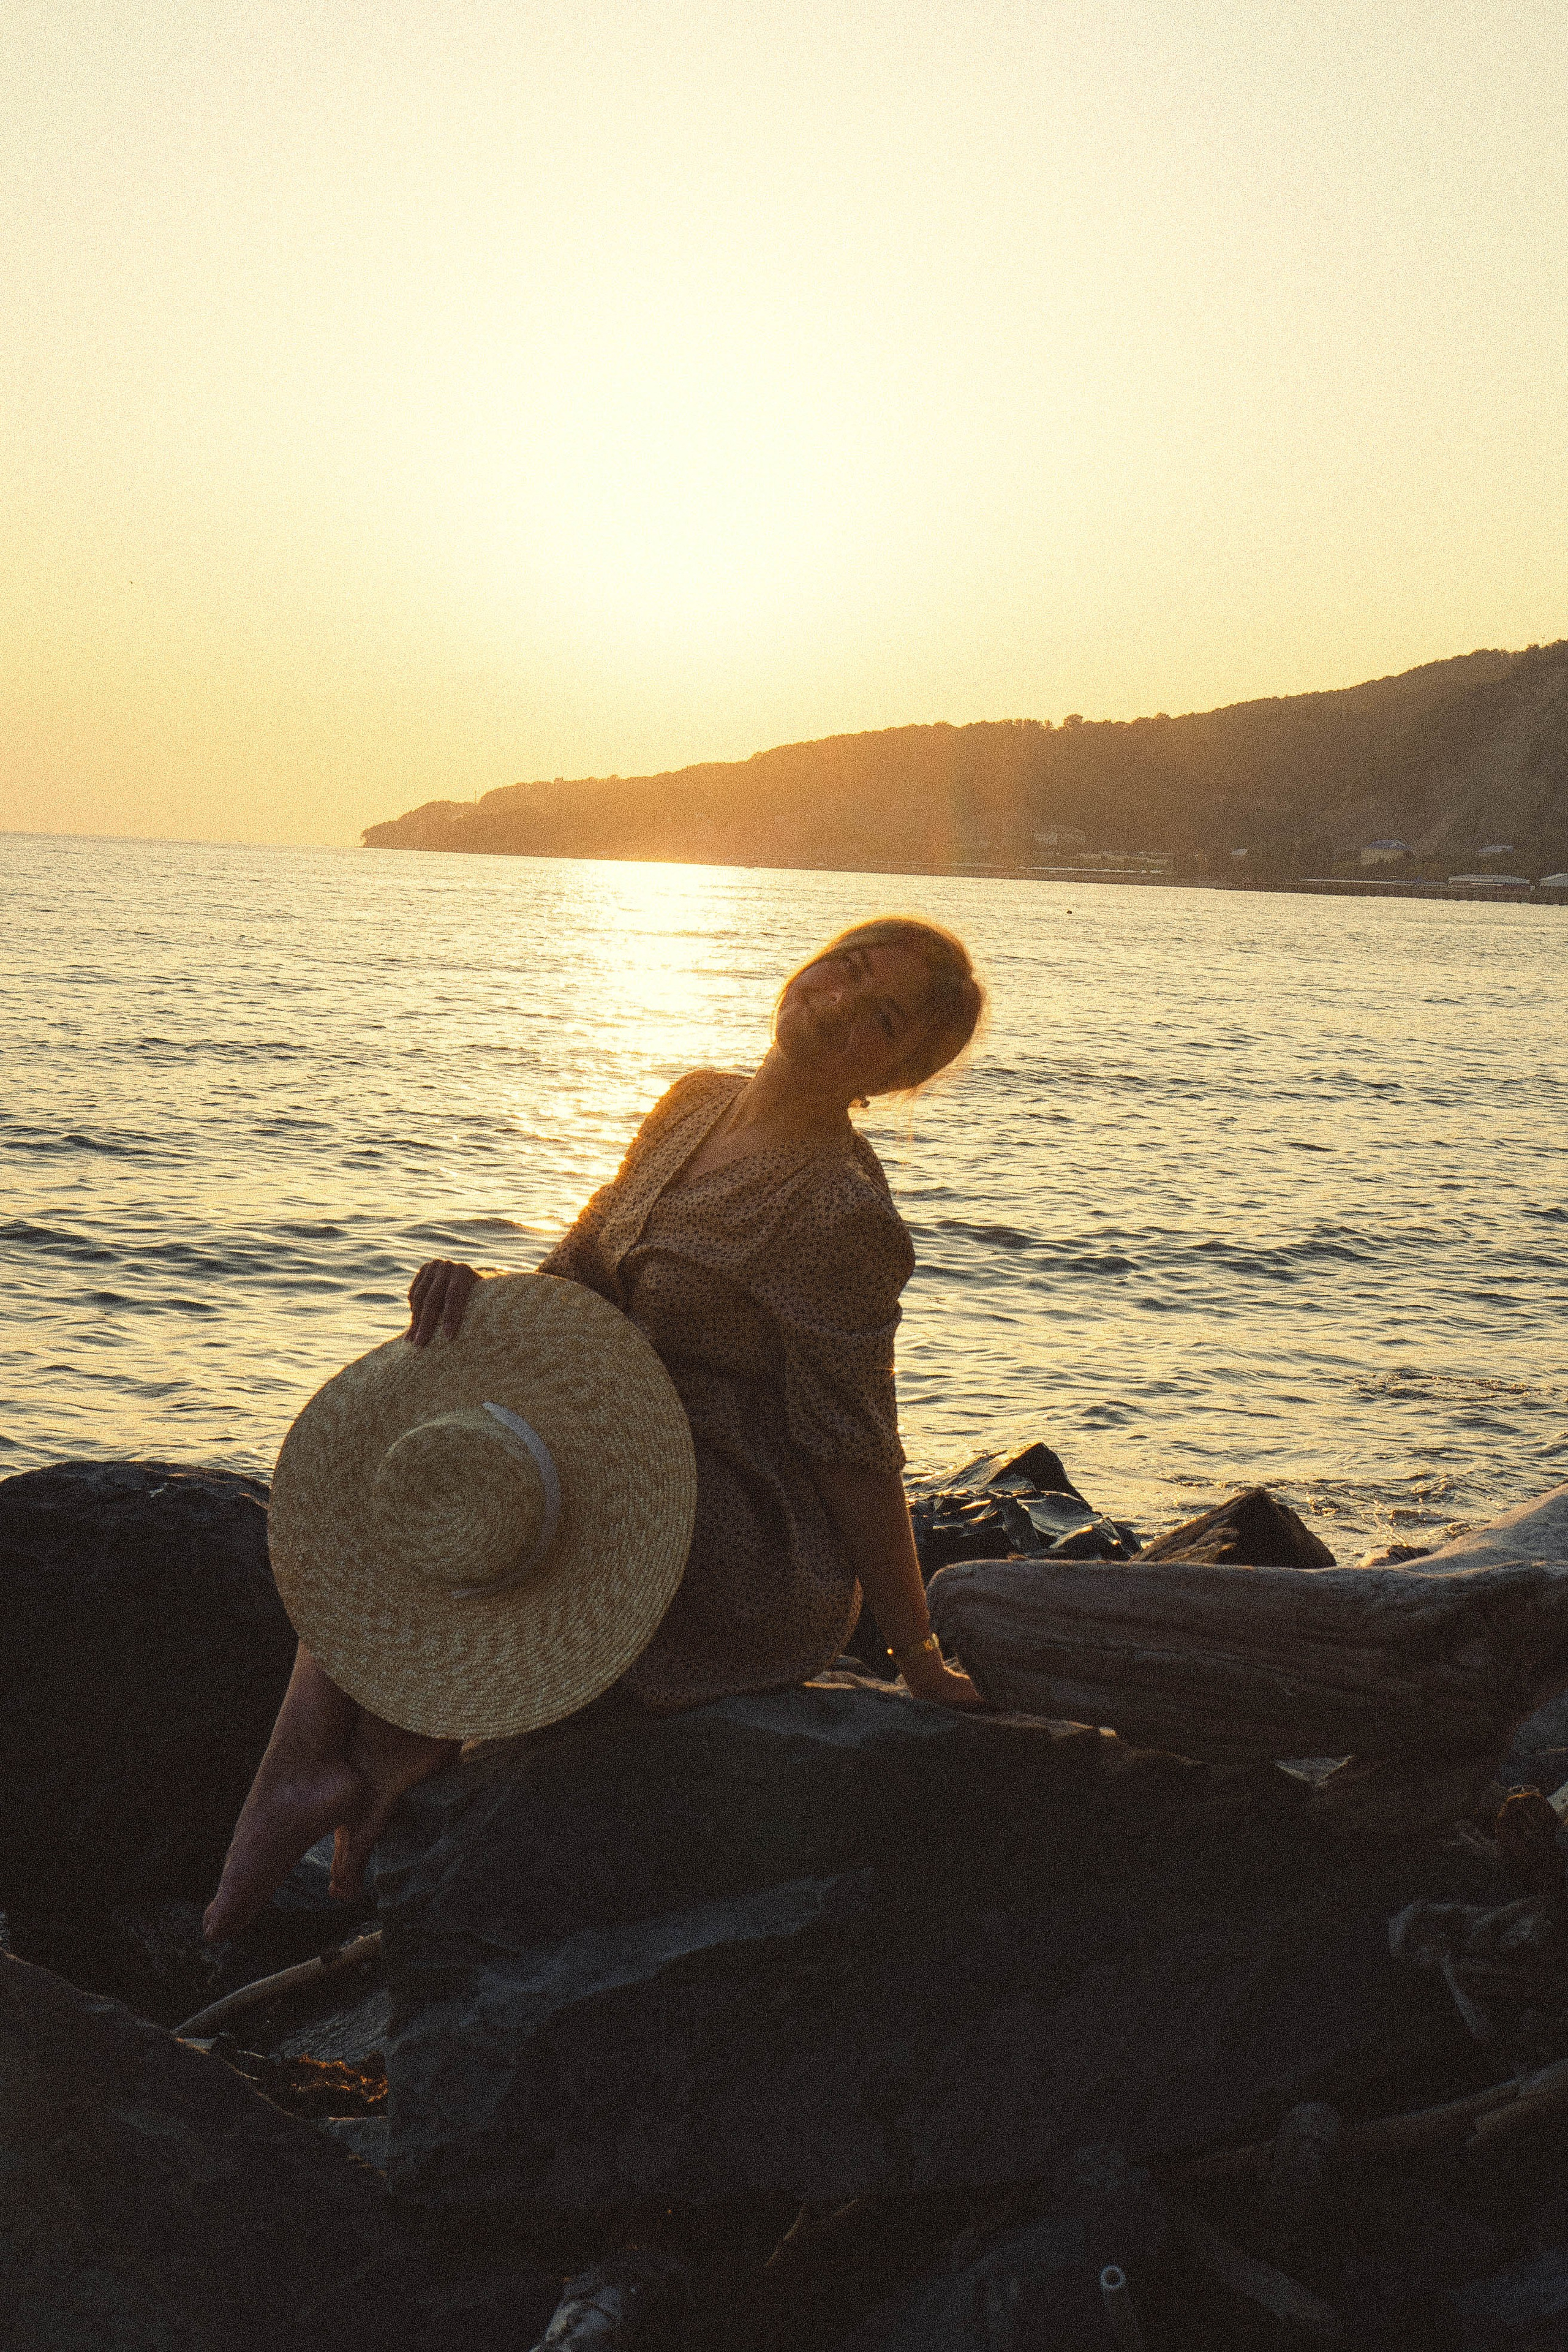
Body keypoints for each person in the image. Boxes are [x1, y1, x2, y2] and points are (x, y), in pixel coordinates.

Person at [204, 914, 987, 1943]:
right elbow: (578, 1272)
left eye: (882, 1016)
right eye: (847, 968)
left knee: (490, 1506)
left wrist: (915, 1647)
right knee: (410, 1462)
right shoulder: (695, 1103)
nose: (841, 1002)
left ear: (896, 1073)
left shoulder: (843, 1212)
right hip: (604, 1437)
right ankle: (336, 1766)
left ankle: (339, 1778)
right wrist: (477, 1296)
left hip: (729, 1526)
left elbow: (853, 1448)